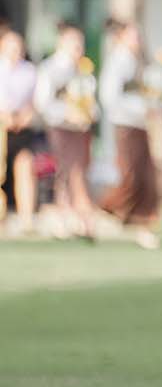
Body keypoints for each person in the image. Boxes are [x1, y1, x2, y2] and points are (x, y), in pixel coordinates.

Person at [96, 19, 162, 248]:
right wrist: (139, 109)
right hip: (126, 125)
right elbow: (110, 97)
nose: (138, 40)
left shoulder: (135, 61)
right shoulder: (118, 61)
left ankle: (140, 222)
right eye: (133, 35)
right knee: (130, 174)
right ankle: (109, 210)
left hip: (139, 125)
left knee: (145, 174)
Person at [35, 22, 99, 241]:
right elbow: (43, 103)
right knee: (62, 173)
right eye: (74, 42)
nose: (78, 47)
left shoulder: (83, 70)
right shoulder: (50, 68)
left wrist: (88, 115)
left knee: (79, 172)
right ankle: (64, 218)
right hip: (58, 129)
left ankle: (81, 219)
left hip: (79, 131)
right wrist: (66, 114)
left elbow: (91, 101)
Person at [2, 30, 44, 234]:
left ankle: (26, 218)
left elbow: (36, 101)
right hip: (2, 128)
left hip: (22, 129)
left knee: (25, 167)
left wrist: (27, 115)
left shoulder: (29, 72)